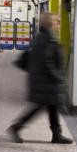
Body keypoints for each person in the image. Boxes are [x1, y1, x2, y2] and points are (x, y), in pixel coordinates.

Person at [8, 12, 73, 144]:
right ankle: (16, 127)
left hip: (42, 80)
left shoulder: (41, 37)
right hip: (46, 81)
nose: (58, 24)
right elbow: (46, 61)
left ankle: (57, 135)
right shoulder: (48, 39)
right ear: (50, 23)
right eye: (56, 21)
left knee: (52, 107)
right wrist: (58, 76)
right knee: (40, 107)